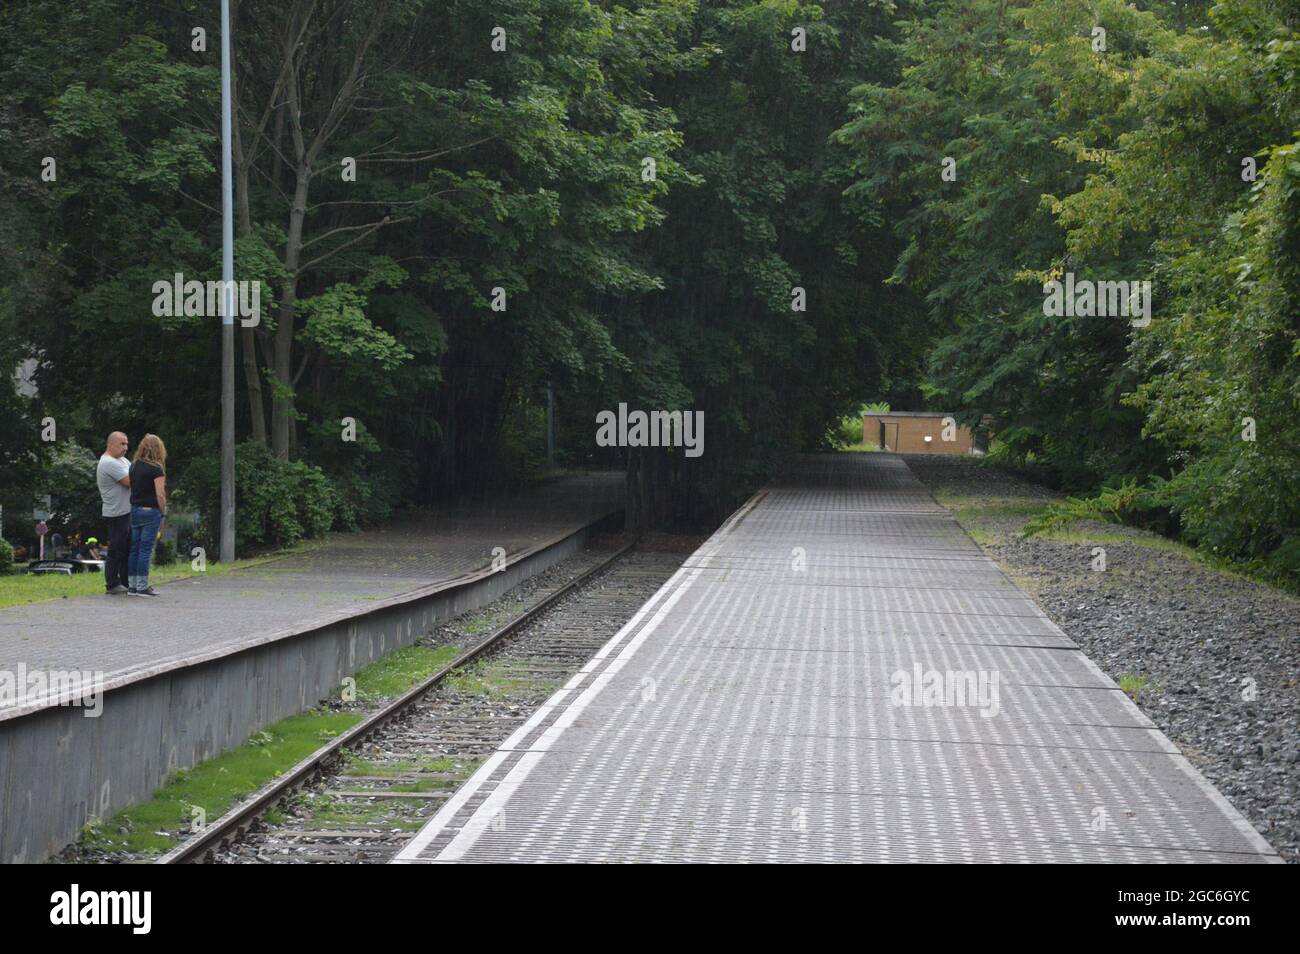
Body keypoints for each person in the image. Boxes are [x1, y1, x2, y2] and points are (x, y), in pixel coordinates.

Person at [127, 433, 168, 597]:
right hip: (151, 511)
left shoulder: (134, 466)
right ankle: (143, 587)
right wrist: (162, 510)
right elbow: (160, 494)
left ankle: (132, 586)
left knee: (134, 549)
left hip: (135, 509)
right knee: (145, 550)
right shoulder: (157, 468)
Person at [95, 431, 131, 594]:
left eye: (127, 444)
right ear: (111, 445)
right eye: (122, 444)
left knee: (126, 548)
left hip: (126, 511)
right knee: (116, 549)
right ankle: (112, 583)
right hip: (117, 513)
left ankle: (125, 581)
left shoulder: (122, 461)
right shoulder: (109, 462)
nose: (126, 448)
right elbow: (130, 481)